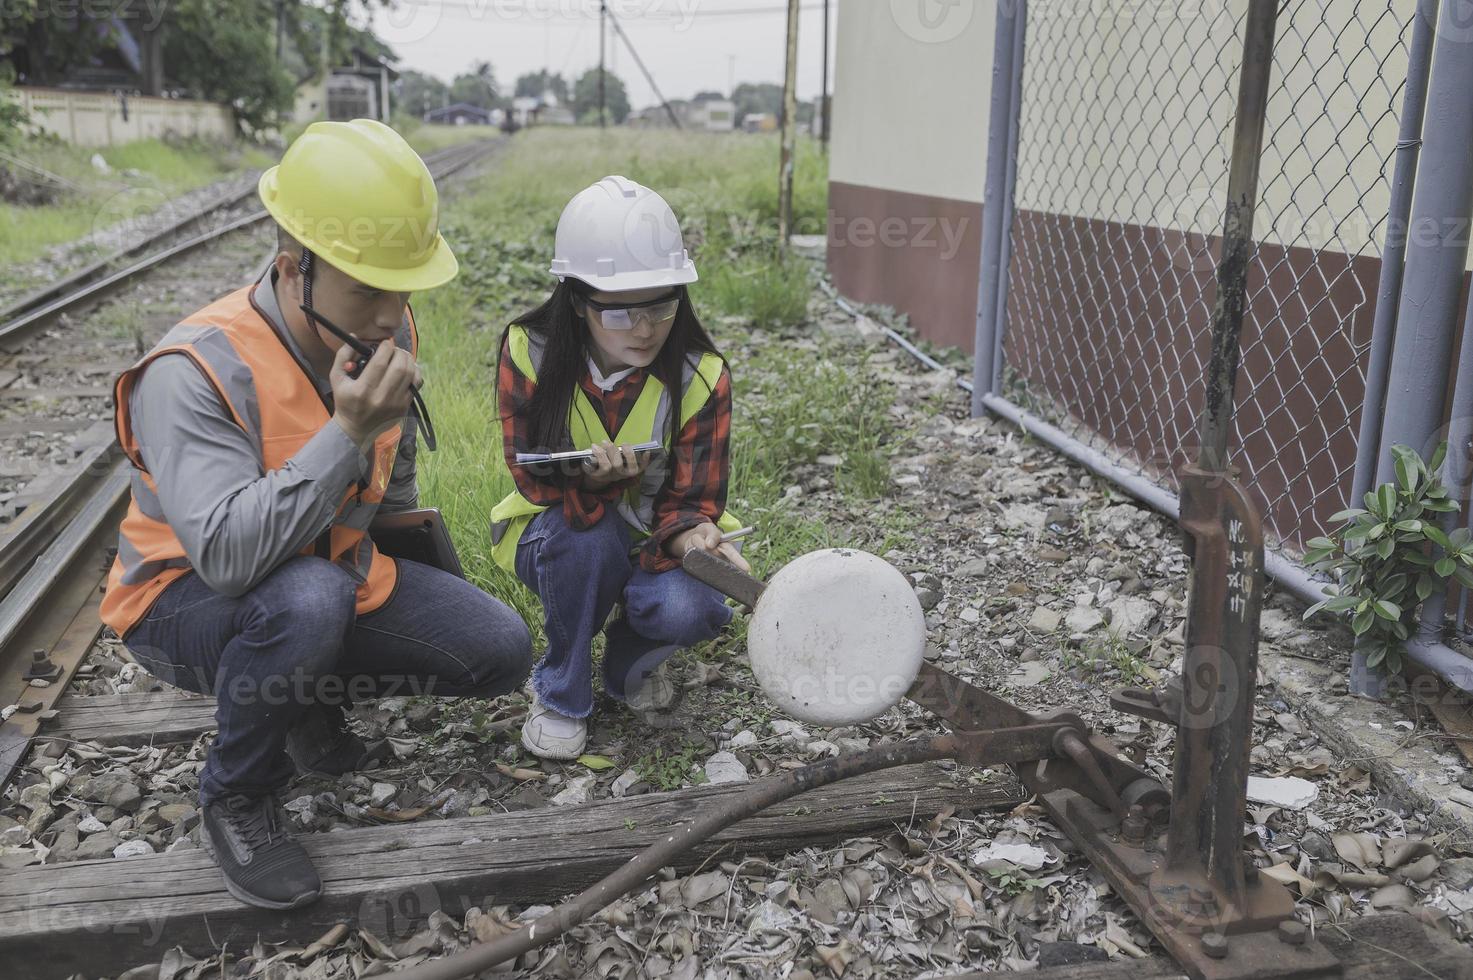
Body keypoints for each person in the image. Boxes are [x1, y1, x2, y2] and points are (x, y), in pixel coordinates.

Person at [100, 120, 533, 911]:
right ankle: (237, 797)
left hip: (324, 574)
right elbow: (228, 559)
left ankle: (302, 703)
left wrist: (424, 568)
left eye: (404, 287)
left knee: (498, 649)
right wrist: (347, 432)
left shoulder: (383, 327)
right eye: (369, 288)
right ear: (294, 268)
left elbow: (389, 496)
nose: (390, 313)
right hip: (179, 601)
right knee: (306, 599)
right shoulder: (194, 368)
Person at [490, 175, 748, 761]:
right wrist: (588, 482)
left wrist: (695, 536)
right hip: (559, 536)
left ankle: (628, 662)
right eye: (620, 312)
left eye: (662, 305)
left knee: (698, 607)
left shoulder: (701, 374)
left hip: (655, 542)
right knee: (588, 539)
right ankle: (560, 691)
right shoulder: (527, 351)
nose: (644, 328)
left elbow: (695, 496)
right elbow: (529, 475)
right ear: (578, 301)